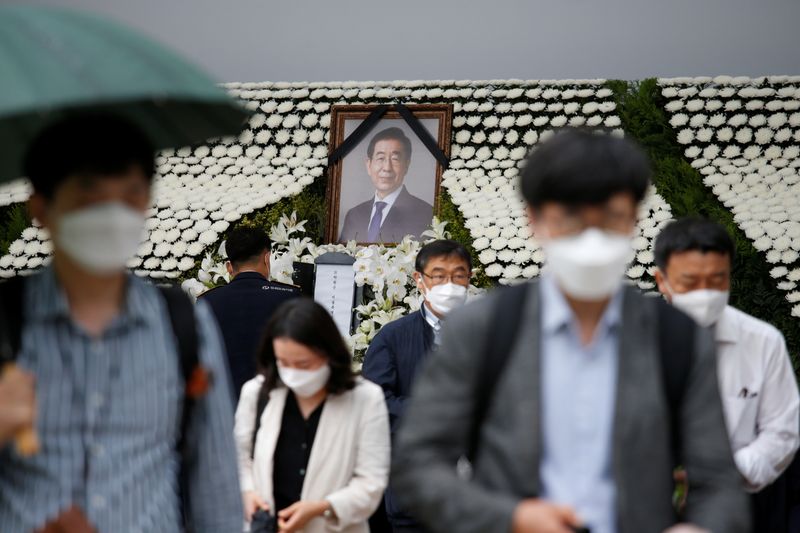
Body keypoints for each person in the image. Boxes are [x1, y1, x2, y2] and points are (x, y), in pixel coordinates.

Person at [392, 129, 749, 533]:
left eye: (611, 217)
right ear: (536, 220)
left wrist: (700, 526)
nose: (591, 237)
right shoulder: (484, 328)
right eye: (571, 219)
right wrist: (511, 517)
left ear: (634, 217)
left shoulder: (675, 337)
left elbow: (719, 480)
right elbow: (418, 465)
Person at [0, 114, 242, 532]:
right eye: (89, 195)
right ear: (40, 207)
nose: (112, 215)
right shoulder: (4, 323)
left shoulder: (183, 323)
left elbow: (216, 485)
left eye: (130, 195)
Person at [654, 217, 800, 533]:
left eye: (717, 280)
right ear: (661, 281)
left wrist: (724, 471)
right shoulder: (632, 342)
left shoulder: (763, 341)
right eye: (690, 282)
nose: (705, 293)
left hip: (745, 502)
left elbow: (782, 433)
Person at [234, 298, 390, 533]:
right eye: (284, 363)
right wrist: (248, 492)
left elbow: (371, 481)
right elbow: (240, 458)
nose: (293, 373)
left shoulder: (365, 399)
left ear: (329, 354)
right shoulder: (258, 393)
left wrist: (323, 508)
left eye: (304, 364)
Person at [362, 239, 472, 533]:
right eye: (439, 275)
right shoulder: (393, 337)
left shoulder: (489, 334)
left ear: (469, 279)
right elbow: (374, 402)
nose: (449, 284)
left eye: (458, 275)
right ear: (419, 280)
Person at [201, 226, 301, 402]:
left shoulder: (207, 301)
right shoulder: (289, 297)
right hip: (275, 403)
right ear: (267, 258)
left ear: (229, 267)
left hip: (224, 403)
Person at [339, 127, 433, 243]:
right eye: (380, 158)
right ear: (369, 165)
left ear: (406, 165)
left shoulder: (425, 214)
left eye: (395, 159)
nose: (387, 168)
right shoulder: (354, 215)